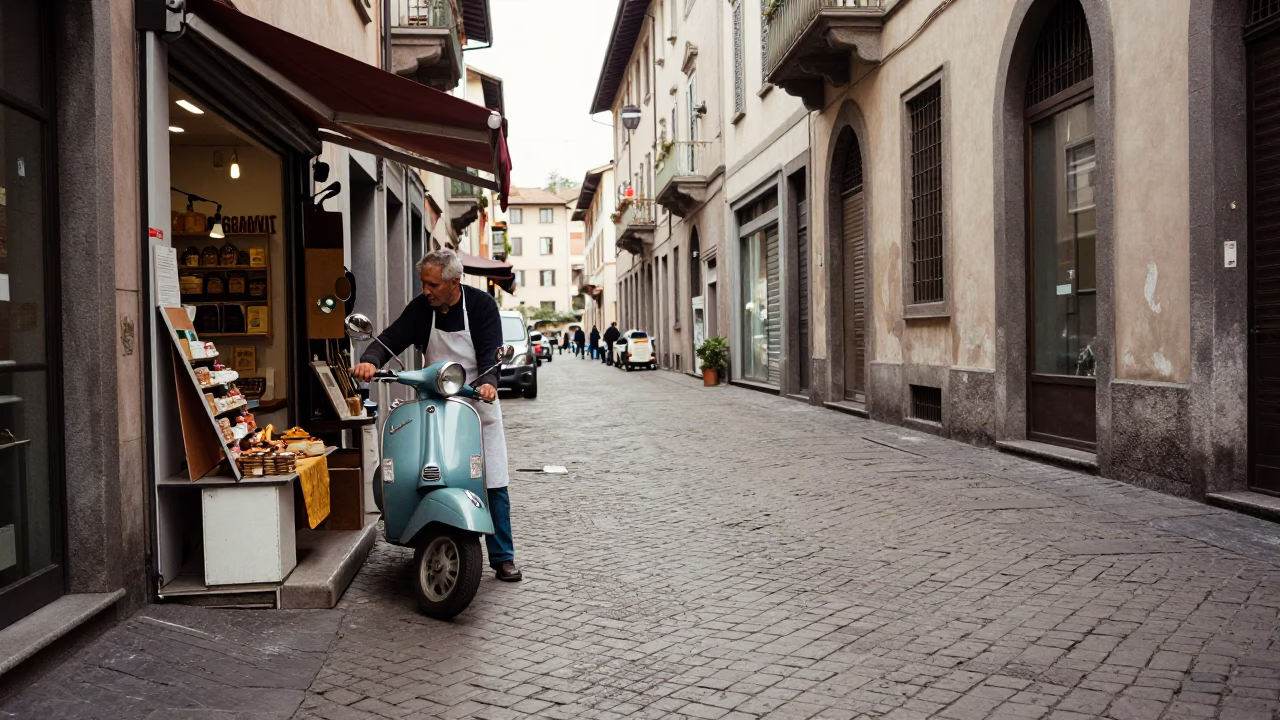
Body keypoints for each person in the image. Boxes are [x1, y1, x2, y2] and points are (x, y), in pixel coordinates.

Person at [352, 249, 522, 582]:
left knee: (493, 479)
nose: (426, 290)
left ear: (454, 282)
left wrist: (488, 382)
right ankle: (423, 532)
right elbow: (391, 339)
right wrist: (371, 359)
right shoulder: (421, 309)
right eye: (423, 283)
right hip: (436, 402)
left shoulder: (481, 306)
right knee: (425, 469)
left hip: (478, 406)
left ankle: (502, 556)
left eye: (432, 284)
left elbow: (491, 352)